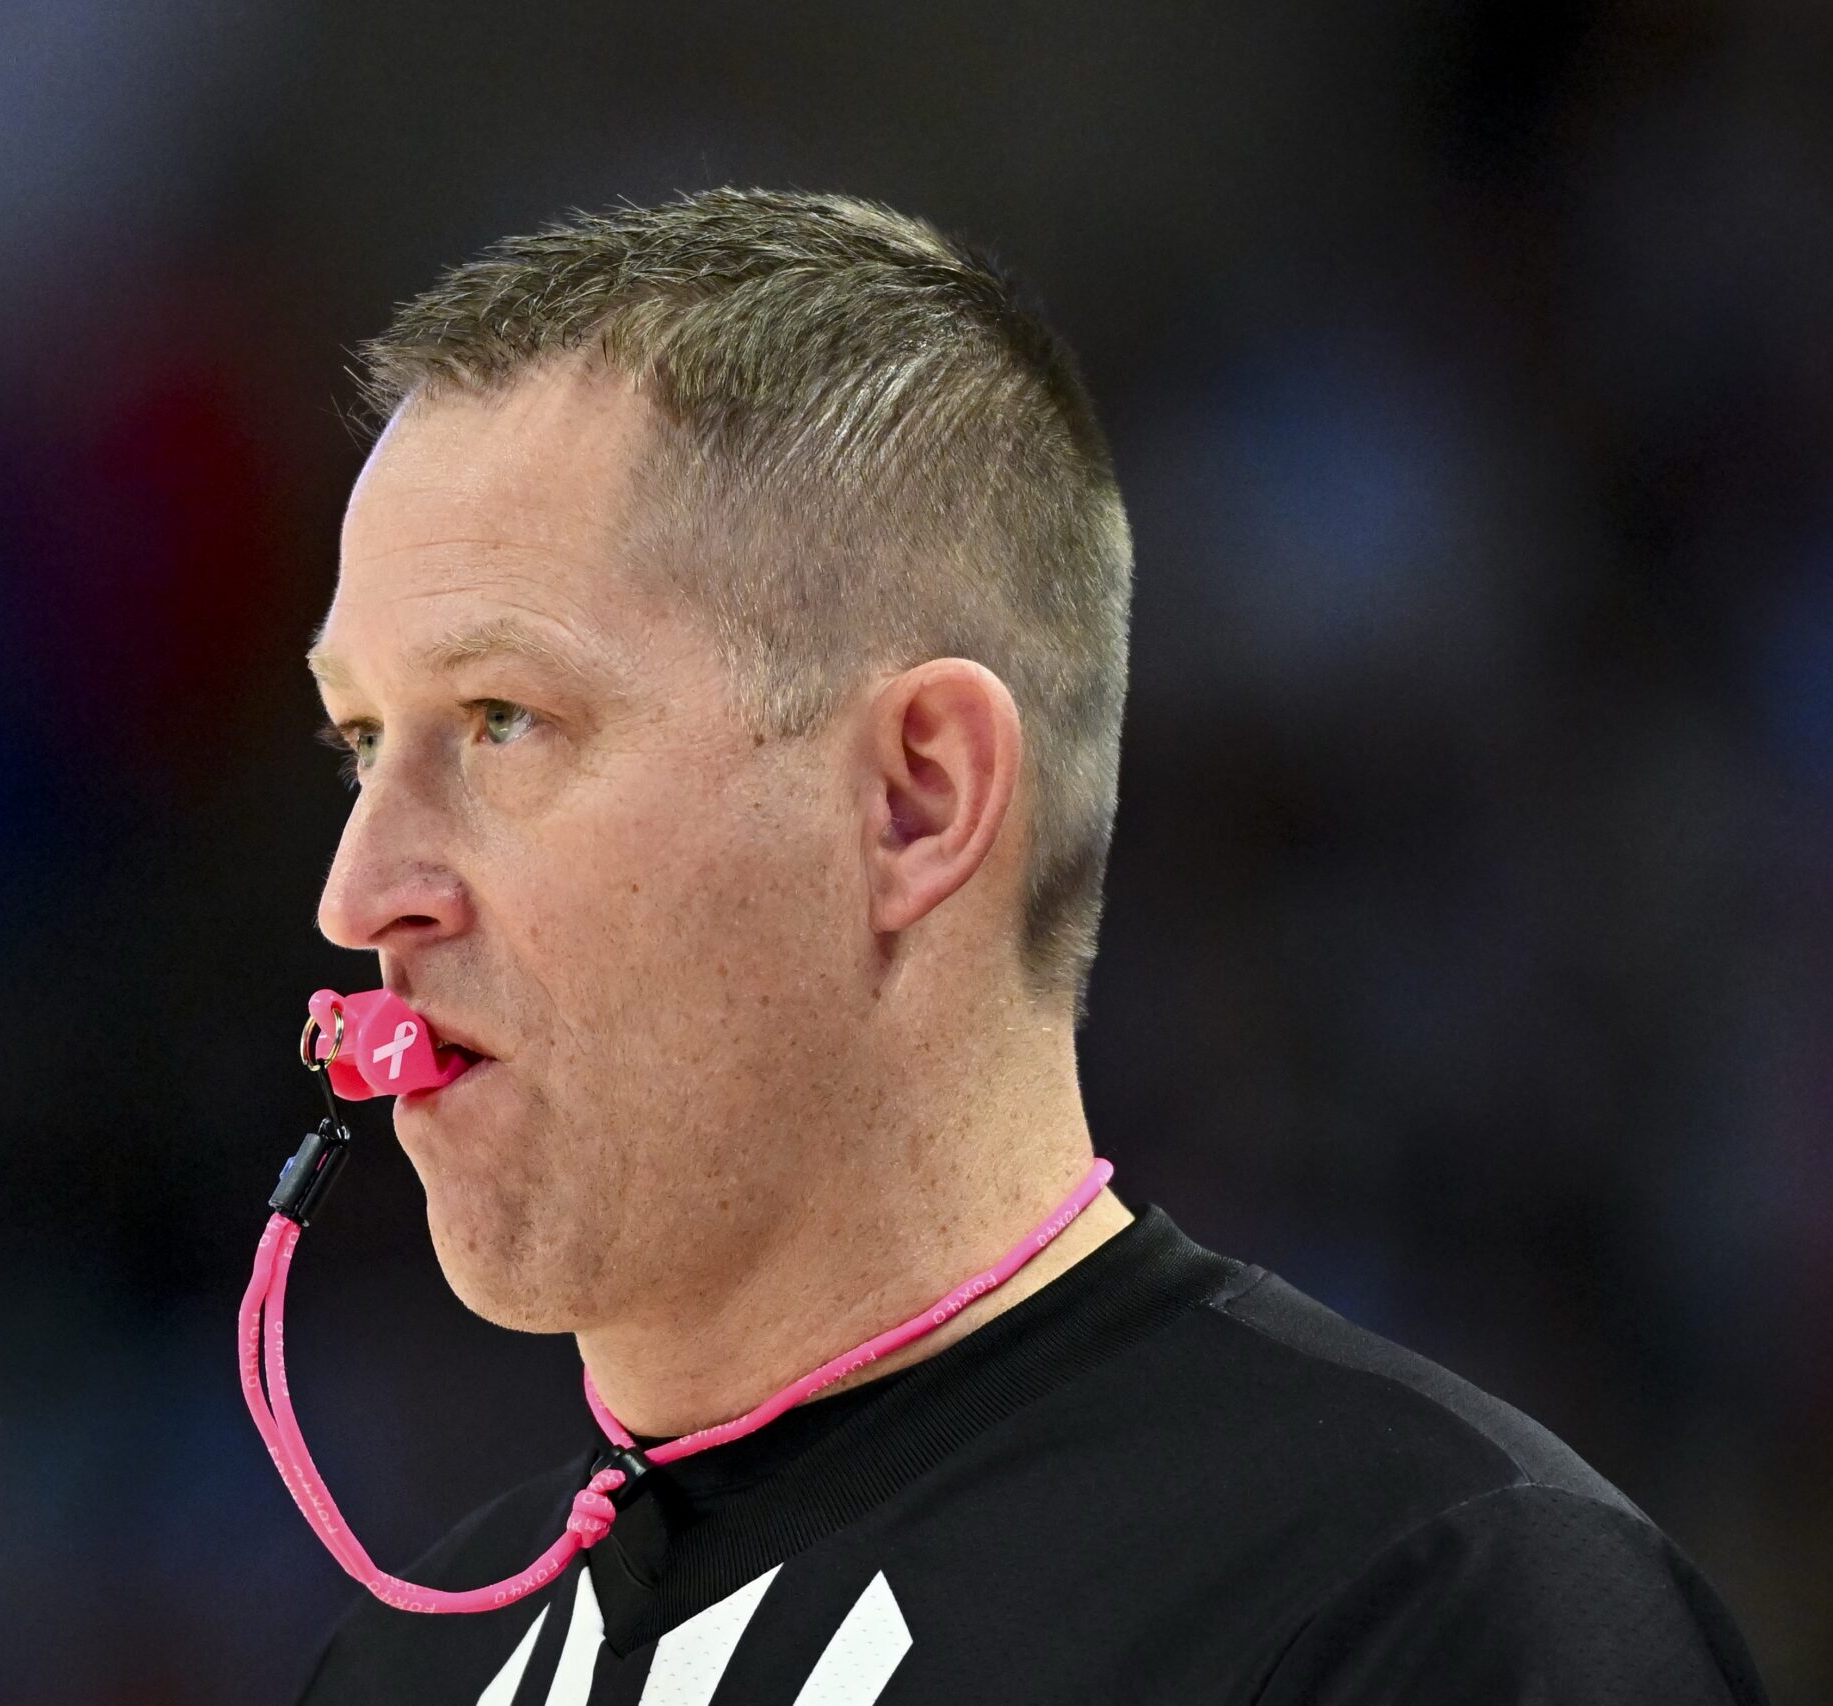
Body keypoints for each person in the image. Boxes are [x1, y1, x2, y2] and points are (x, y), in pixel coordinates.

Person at [290, 188, 1769, 1705]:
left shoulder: (1429, 1608)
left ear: (914, 798)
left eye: (503, 718)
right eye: (358, 739)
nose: (361, 892)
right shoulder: (400, 1665)